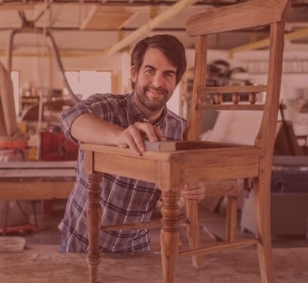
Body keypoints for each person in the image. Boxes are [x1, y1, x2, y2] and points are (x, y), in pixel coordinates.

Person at [58, 34, 206, 253]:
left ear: (176, 80)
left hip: (135, 247)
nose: (158, 82)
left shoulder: (180, 130)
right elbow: (70, 118)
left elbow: (173, 200)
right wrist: (119, 135)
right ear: (134, 73)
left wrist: (188, 194)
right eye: (150, 71)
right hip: (81, 242)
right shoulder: (107, 107)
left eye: (168, 74)